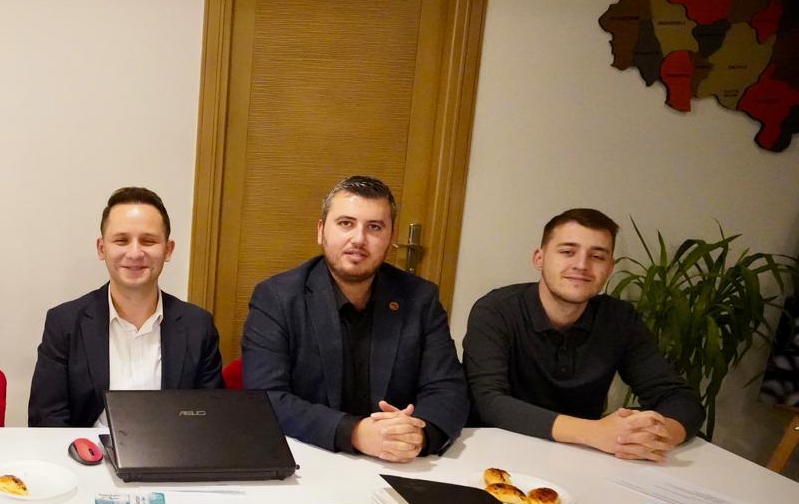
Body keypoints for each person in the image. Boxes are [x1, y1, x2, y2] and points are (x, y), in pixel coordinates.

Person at [241, 175, 468, 461]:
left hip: (400, 463)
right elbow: (266, 397)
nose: (359, 239)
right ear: (321, 231)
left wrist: (418, 435)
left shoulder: (420, 299)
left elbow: (448, 388)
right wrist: (355, 433)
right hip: (312, 459)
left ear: (391, 238)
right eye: (346, 223)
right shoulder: (277, 298)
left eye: (374, 227)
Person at [464, 208, 703, 461]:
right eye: (567, 252)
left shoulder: (619, 318)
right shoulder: (496, 310)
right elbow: (487, 401)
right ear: (539, 258)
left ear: (610, 267)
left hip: (579, 459)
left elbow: (679, 398)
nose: (581, 265)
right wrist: (594, 432)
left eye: (597, 256)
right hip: (495, 454)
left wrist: (655, 436)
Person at [29, 186, 223, 427]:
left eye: (148, 241)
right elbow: (46, 419)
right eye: (121, 240)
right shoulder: (64, 323)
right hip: (87, 449)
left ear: (168, 250)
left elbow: (209, 420)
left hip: (171, 449)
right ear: (102, 248)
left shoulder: (198, 326)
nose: (135, 253)